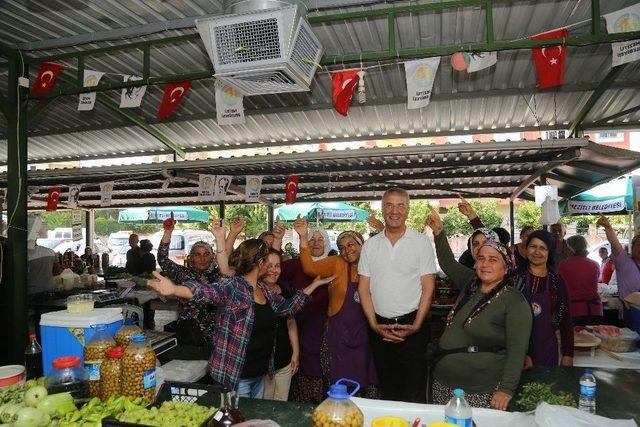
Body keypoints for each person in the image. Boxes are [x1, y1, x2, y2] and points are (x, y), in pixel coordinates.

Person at [148, 230, 334, 398]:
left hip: (259, 375)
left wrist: (314, 285)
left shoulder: (264, 290)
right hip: (236, 376)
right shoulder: (234, 286)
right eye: (267, 262)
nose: (271, 267)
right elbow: (205, 291)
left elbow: (287, 309)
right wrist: (174, 289)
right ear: (260, 263)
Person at [425, 206, 532, 410]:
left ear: (506, 266)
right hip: (444, 383)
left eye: (493, 260)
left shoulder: (514, 301)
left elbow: (517, 351)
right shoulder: (470, 282)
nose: (485, 264)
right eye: (481, 258)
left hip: (480, 389)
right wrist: (439, 231)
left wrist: (507, 389)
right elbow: (447, 263)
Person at [358, 187, 437, 403]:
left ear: (408, 210)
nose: (395, 211)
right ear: (382, 209)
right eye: (389, 205)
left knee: (414, 389)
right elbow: (363, 288)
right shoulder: (370, 246)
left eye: (401, 205)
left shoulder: (421, 242)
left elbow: (428, 287)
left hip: (413, 325)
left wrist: (417, 325)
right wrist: (374, 324)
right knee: (387, 387)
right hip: (380, 327)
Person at [295, 218, 378, 397]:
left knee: (364, 382)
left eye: (350, 245)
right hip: (338, 335)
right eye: (341, 247)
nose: (346, 250)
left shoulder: (373, 263)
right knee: (339, 382)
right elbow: (309, 268)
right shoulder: (336, 262)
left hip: (364, 334)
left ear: (361, 244)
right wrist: (303, 237)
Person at [157, 213, 234, 346]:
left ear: (213, 257)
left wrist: (230, 234)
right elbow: (162, 259)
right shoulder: (182, 274)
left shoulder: (220, 274)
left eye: (206, 254)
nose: (202, 259)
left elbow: (228, 258)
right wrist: (168, 232)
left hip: (217, 335)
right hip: (188, 333)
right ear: (190, 258)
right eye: (197, 255)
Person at [280, 222, 332, 404]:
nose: (316, 243)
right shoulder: (296, 264)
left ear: (326, 243)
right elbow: (269, 272)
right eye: (311, 239)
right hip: (295, 324)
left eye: (320, 240)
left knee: (318, 366)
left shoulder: (333, 265)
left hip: (321, 328)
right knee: (297, 365)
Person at [517, 230, 573, 368]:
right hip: (517, 350)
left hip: (547, 348)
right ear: (526, 249)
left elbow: (566, 320)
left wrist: (568, 354)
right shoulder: (516, 279)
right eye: (533, 246)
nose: (537, 252)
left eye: (543, 248)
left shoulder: (557, 282)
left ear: (550, 252)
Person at [262, 249, 300, 401]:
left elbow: (291, 322)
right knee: (264, 407)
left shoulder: (284, 289)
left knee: (281, 404)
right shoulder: (253, 291)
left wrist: (295, 352)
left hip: (284, 360)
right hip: (263, 363)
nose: (273, 270)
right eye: (269, 265)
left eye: (277, 266)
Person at [597, 215, 640, 325]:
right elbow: (615, 245)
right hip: (631, 312)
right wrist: (608, 227)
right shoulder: (624, 260)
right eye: (638, 245)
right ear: (632, 246)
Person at [557, 235, 603, 326]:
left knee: (576, 339)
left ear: (570, 248)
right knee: (594, 339)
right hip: (595, 310)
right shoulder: (595, 264)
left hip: (574, 310)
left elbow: (558, 286)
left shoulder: (563, 264)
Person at [27, 216, 62, 295]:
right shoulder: (50, 252)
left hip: (31, 292)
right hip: (49, 289)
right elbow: (58, 272)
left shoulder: (25, 255)